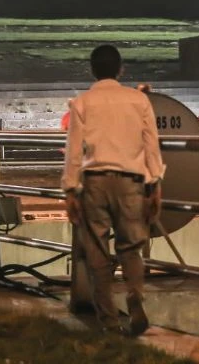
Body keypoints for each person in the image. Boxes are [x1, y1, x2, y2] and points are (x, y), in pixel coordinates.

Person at [63, 44, 164, 337]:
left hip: (94, 181)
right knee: (131, 247)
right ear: (121, 69)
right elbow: (151, 144)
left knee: (97, 251)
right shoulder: (139, 100)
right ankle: (134, 296)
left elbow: (73, 151)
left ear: (92, 70)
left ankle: (108, 321)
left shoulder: (81, 103)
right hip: (132, 182)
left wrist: (70, 189)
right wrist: (154, 184)